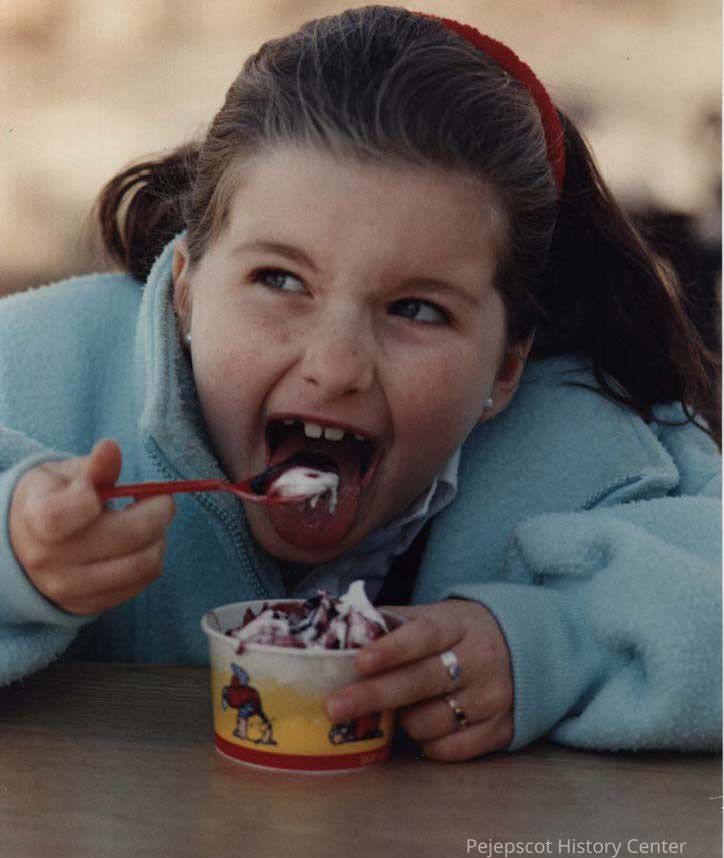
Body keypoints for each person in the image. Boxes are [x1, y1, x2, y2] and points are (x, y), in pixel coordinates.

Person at [0, 6, 720, 762]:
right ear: (186, 287)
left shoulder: (591, 447)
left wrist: (552, 644)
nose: (336, 367)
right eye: (280, 279)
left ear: (506, 366)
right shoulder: (44, 365)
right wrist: (16, 562)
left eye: (417, 309)